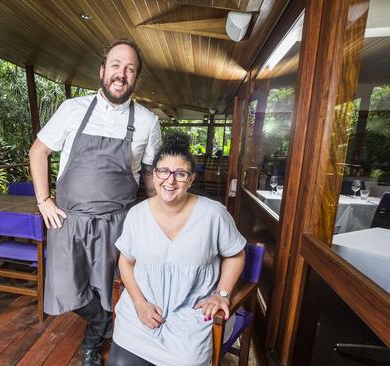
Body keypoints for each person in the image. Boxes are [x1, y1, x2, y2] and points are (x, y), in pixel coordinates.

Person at [29, 39, 161, 366]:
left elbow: (150, 176)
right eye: (116, 65)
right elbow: (38, 152)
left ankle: (91, 344)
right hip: (68, 219)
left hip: (118, 222)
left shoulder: (147, 121)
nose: (122, 73)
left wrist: (159, 217)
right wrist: (44, 200)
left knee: (107, 289)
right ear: (103, 71)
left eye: (130, 69)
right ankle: (101, 327)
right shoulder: (72, 110)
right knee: (63, 287)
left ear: (136, 77)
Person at [107, 132, 246, 366]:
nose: (170, 181)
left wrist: (221, 293)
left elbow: (236, 254)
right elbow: (126, 262)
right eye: (163, 171)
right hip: (140, 315)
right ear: (153, 175)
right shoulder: (137, 214)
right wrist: (140, 304)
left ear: (191, 179)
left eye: (180, 174)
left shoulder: (214, 214)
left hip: (190, 318)